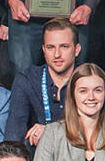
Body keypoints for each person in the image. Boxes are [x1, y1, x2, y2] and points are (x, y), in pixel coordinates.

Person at [5, 18, 81, 147]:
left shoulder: (89, 79)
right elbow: (14, 132)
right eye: (50, 47)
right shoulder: (27, 79)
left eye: (64, 47)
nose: (57, 54)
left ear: (77, 49)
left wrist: (51, 130)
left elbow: (95, 128)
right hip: (40, 153)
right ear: (43, 50)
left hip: (79, 151)